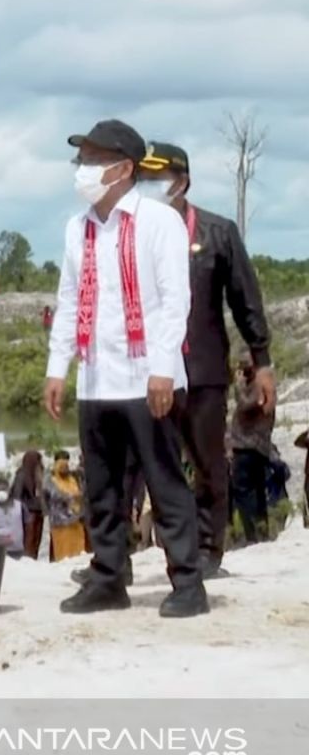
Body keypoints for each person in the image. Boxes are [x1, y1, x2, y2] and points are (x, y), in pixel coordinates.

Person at [45, 119, 207, 617]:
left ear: (122, 168)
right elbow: (69, 300)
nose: (83, 169)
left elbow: (176, 299)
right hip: (97, 375)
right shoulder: (78, 227)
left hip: (148, 376)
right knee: (102, 484)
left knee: (163, 478)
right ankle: (109, 576)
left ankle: (187, 581)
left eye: (93, 159)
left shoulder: (159, 222)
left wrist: (163, 368)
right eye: (83, 158)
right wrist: (58, 367)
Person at [131, 141, 274, 578]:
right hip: (145, 371)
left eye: (159, 177)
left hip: (203, 371)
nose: (151, 185)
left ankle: (210, 551)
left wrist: (262, 359)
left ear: (182, 181)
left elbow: (245, 300)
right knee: (143, 465)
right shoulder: (130, 232)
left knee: (209, 464)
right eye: (144, 177)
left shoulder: (218, 232)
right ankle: (134, 554)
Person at [228, 352, 276, 545]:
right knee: (256, 491)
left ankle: (253, 536)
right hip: (258, 447)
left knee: (245, 491)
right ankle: (260, 532)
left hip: (248, 446)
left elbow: (247, 406)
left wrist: (238, 387)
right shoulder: (263, 385)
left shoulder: (258, 386)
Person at [42, 452, 86, 562]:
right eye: (61, 465)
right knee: (63, 554)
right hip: (60, 522)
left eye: (66, 465)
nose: (64, 468)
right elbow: (53, 494)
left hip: (76, 520)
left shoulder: (73, 477)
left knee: (78, 553)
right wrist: (71, 497)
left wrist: (80, 496)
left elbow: (82, 490)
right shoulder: (50, 479)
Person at [10, 450, 45, 559]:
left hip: (38, 511)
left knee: (36, 540)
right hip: (28, 513)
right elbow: (17, 495)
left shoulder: (38, 474)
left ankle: (33, 558)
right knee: (29, 540)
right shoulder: (22, 474)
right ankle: (26, 560)